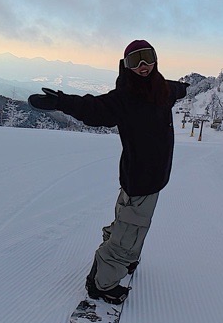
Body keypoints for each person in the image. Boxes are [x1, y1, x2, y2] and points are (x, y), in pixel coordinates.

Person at [28, 40, 189, 304]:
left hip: (154, 177)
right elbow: (93, 108)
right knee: (130, 229)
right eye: (134, 60)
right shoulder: (124, 98)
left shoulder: (162, 89)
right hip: (139, 178)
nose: (143, 66)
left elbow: (175, 89)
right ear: (126, 66)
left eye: (147, 58)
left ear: (156, 59)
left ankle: (126, 258)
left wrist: (184, 88)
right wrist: (61, 102)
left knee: (130, 223)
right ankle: (102, 284)